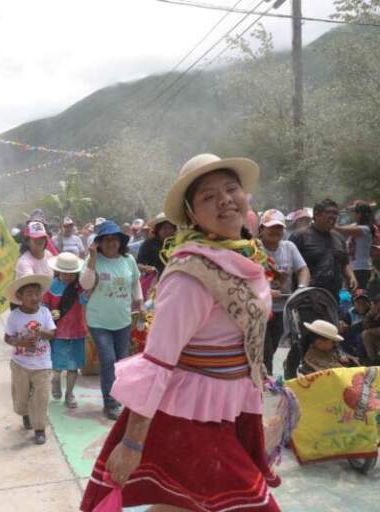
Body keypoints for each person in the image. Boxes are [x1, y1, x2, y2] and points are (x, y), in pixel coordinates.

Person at [81, 154, 280, 512]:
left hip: (228, 407)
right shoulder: (190, 275)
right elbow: (157, 361)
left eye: (231, 189)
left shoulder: (246, 256)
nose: (224, 200)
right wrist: (132, 444)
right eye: (208, 196)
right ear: (191, 214)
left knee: (184, 505)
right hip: (191, 417)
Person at [82, 220, 142, 421]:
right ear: (98, 242)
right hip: (98, 321)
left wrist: (139, 301)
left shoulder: (128, 260)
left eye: (114, 239)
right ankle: (110, 403)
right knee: (108, 360)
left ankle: (119, 397)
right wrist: (92, 259)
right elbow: (85, 284)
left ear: (120, 241)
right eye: (106, 239)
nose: (111, 243)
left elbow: (135, 282)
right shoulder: (93, 260)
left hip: (122, 320)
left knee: (121, 362)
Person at [3, 274, 56, 445]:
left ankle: (39, 429)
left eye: (37, 293)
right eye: (29, 294)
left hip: (42, 365)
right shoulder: (14, 316)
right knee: (21, 398)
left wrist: (40, 331)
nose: (34, 297)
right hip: (20, 365)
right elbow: (7, 338)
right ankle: (25, 413)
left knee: (42, 397)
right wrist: (21, 342)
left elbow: (52, 334)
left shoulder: (45, 312)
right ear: (20, 296)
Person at [259, 209, 310, 375]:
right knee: (265, 351)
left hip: (283, 309)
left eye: (279, 228)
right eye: (271, 227)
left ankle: (264, 376)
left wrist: (301, 289)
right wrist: (266, 292)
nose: (276, 231)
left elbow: (303, 269)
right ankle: (267, 382)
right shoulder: (253, 249)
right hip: (259, 309)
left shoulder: (289, 247)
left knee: (273, 347)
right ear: (261, 229)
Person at [44, 252, 91, 409]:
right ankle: (55, 380)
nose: (69, 277)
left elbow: (84, 300)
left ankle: (69, 394)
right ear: (58, 271)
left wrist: (88, 291)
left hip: (77, 331)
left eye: (72, 273)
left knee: (73, 366)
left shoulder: (80, 286)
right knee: (57, 365)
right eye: (65, 273)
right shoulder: (51, 286)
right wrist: (49, 313)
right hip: (58, 332)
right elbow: (44, 305)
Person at [290, 199, 357, 299]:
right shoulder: (300, 236)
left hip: (332, 296)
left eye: (335, 213)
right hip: (306, 297)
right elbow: (289, 265)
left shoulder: (339, 238)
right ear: (316, 214)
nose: (333, 216)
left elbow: (344, 262)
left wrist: (351, 276)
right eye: (329, 212)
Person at [336, 202, 377, 291]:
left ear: (359, 214)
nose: (352, 214)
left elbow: (340, 229)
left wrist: (330, 223)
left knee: (358, 294)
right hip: (353, 268)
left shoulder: (365, 229)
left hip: (361, 268)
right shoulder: (356, 226)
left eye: (354, 212)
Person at [339, 289, 371, 359]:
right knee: (341, 336)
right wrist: (342, 325)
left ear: (368, 303)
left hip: (368, 339)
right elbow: (344, 323)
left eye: (364, 302)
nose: (361, 304)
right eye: (358, 302)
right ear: (354, 303)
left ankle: (363, 358)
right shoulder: (350, 312)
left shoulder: (371, 312)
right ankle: (351, 355)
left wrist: (350, 328)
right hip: (355, 337)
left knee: (361, 336)